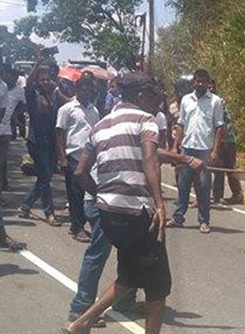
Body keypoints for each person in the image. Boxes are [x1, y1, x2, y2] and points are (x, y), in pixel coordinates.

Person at [65, 72, 171, 334]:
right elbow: (149, 158)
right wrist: (159, 203)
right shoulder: (145, 120)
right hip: (138, 213)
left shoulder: (99, 126)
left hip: (108, 213)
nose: (157, 102)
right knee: (158, 286)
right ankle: (82, 322)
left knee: (131, 275)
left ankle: (82, 322)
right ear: (140, 96)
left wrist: (102, 193)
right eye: (154, 96)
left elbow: (79, 172)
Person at [167, 69, 225, 234]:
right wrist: (174, 147)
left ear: (208, 82)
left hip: (204, 150)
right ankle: (178, 218)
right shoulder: (186, 100)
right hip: (187, 148)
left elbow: (220, 127)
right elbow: (181, 124)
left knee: (203, 187)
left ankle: (204, 220)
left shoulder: (215, 101)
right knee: (183, 185)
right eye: (197, 81)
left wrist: (215, 151)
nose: (200, 84)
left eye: (203, 81)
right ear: (193, 82)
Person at [17, 54, 61, 227]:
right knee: (45, 177)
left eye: (48, 79)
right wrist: (37, 64)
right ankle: (49, 213)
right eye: (42, 79)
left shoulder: (55, 96)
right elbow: (29, 82)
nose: (46, 82)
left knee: (46, 177)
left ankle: (25, 206)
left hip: (52, 142)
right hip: (37, 142)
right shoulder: (32, 94)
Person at [56, 76, 100, 243]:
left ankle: (81, 224)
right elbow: (59, 133)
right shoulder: (67, 109)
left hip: (89, 157)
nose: (86, 92)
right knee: (75, 194)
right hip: (73, 156)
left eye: (90, 90)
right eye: (83, 89)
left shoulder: (94, 111)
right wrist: (62, 158)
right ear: (77, 90)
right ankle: (77, 227)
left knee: (87, 193)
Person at [208, 78, 243, 205]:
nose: (211, 89)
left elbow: (221, 124)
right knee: (223, 167)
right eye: (209, 87)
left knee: (225, 167)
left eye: (213, 86)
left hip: (226, 139)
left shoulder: (217, 102)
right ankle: (224, 195)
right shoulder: (211, 102)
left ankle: (230, 195)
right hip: (221, 139)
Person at [0, 67, 25, 196]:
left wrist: (15, 115)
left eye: (16, 77)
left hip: (5, 129)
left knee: (0, 163)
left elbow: (24, 104)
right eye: (11, 76)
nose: (13, 79)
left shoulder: (19, 91)